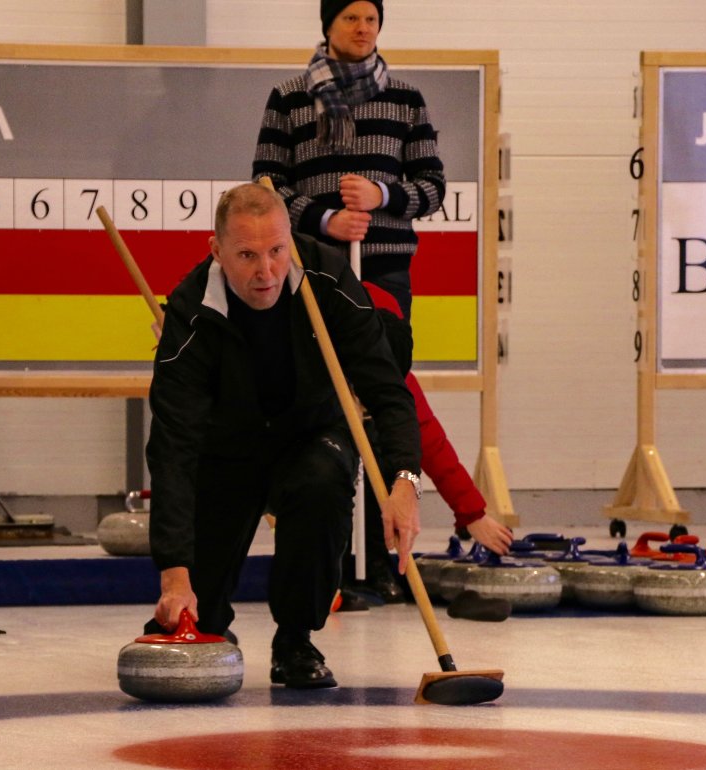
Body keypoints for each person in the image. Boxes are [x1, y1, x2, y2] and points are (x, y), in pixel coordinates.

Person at [145, 182, 422, 689]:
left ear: (290, 241)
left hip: (310, 437)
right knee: (197, 612)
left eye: (276, 250)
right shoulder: (190, 312)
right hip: (225, 452)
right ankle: (208, 617)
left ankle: (295, 639)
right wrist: (174, 575)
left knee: (322, 480)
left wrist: (405, 480)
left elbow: (388, 390)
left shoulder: (327, 277)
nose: (266, 271)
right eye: (247, 255)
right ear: (217, 251)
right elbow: (173, 448)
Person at [252, 0, 445, 320]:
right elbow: (265, 187)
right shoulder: (289, 97)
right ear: (328, 25)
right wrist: (326, 220)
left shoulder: (406, 99)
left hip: (386, 272)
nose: (363, 28)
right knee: (312, 353)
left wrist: (381, 194)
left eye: (371, 19)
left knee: (384, 353)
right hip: (309, 266)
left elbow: (434, 187)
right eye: (351, 18)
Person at [342, 283, 512, 605]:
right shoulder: (326, 344)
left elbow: (431, 441)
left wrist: (472, 515)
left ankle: (376, 565)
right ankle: (329, 573)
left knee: (390, 452)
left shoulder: (394, 361)